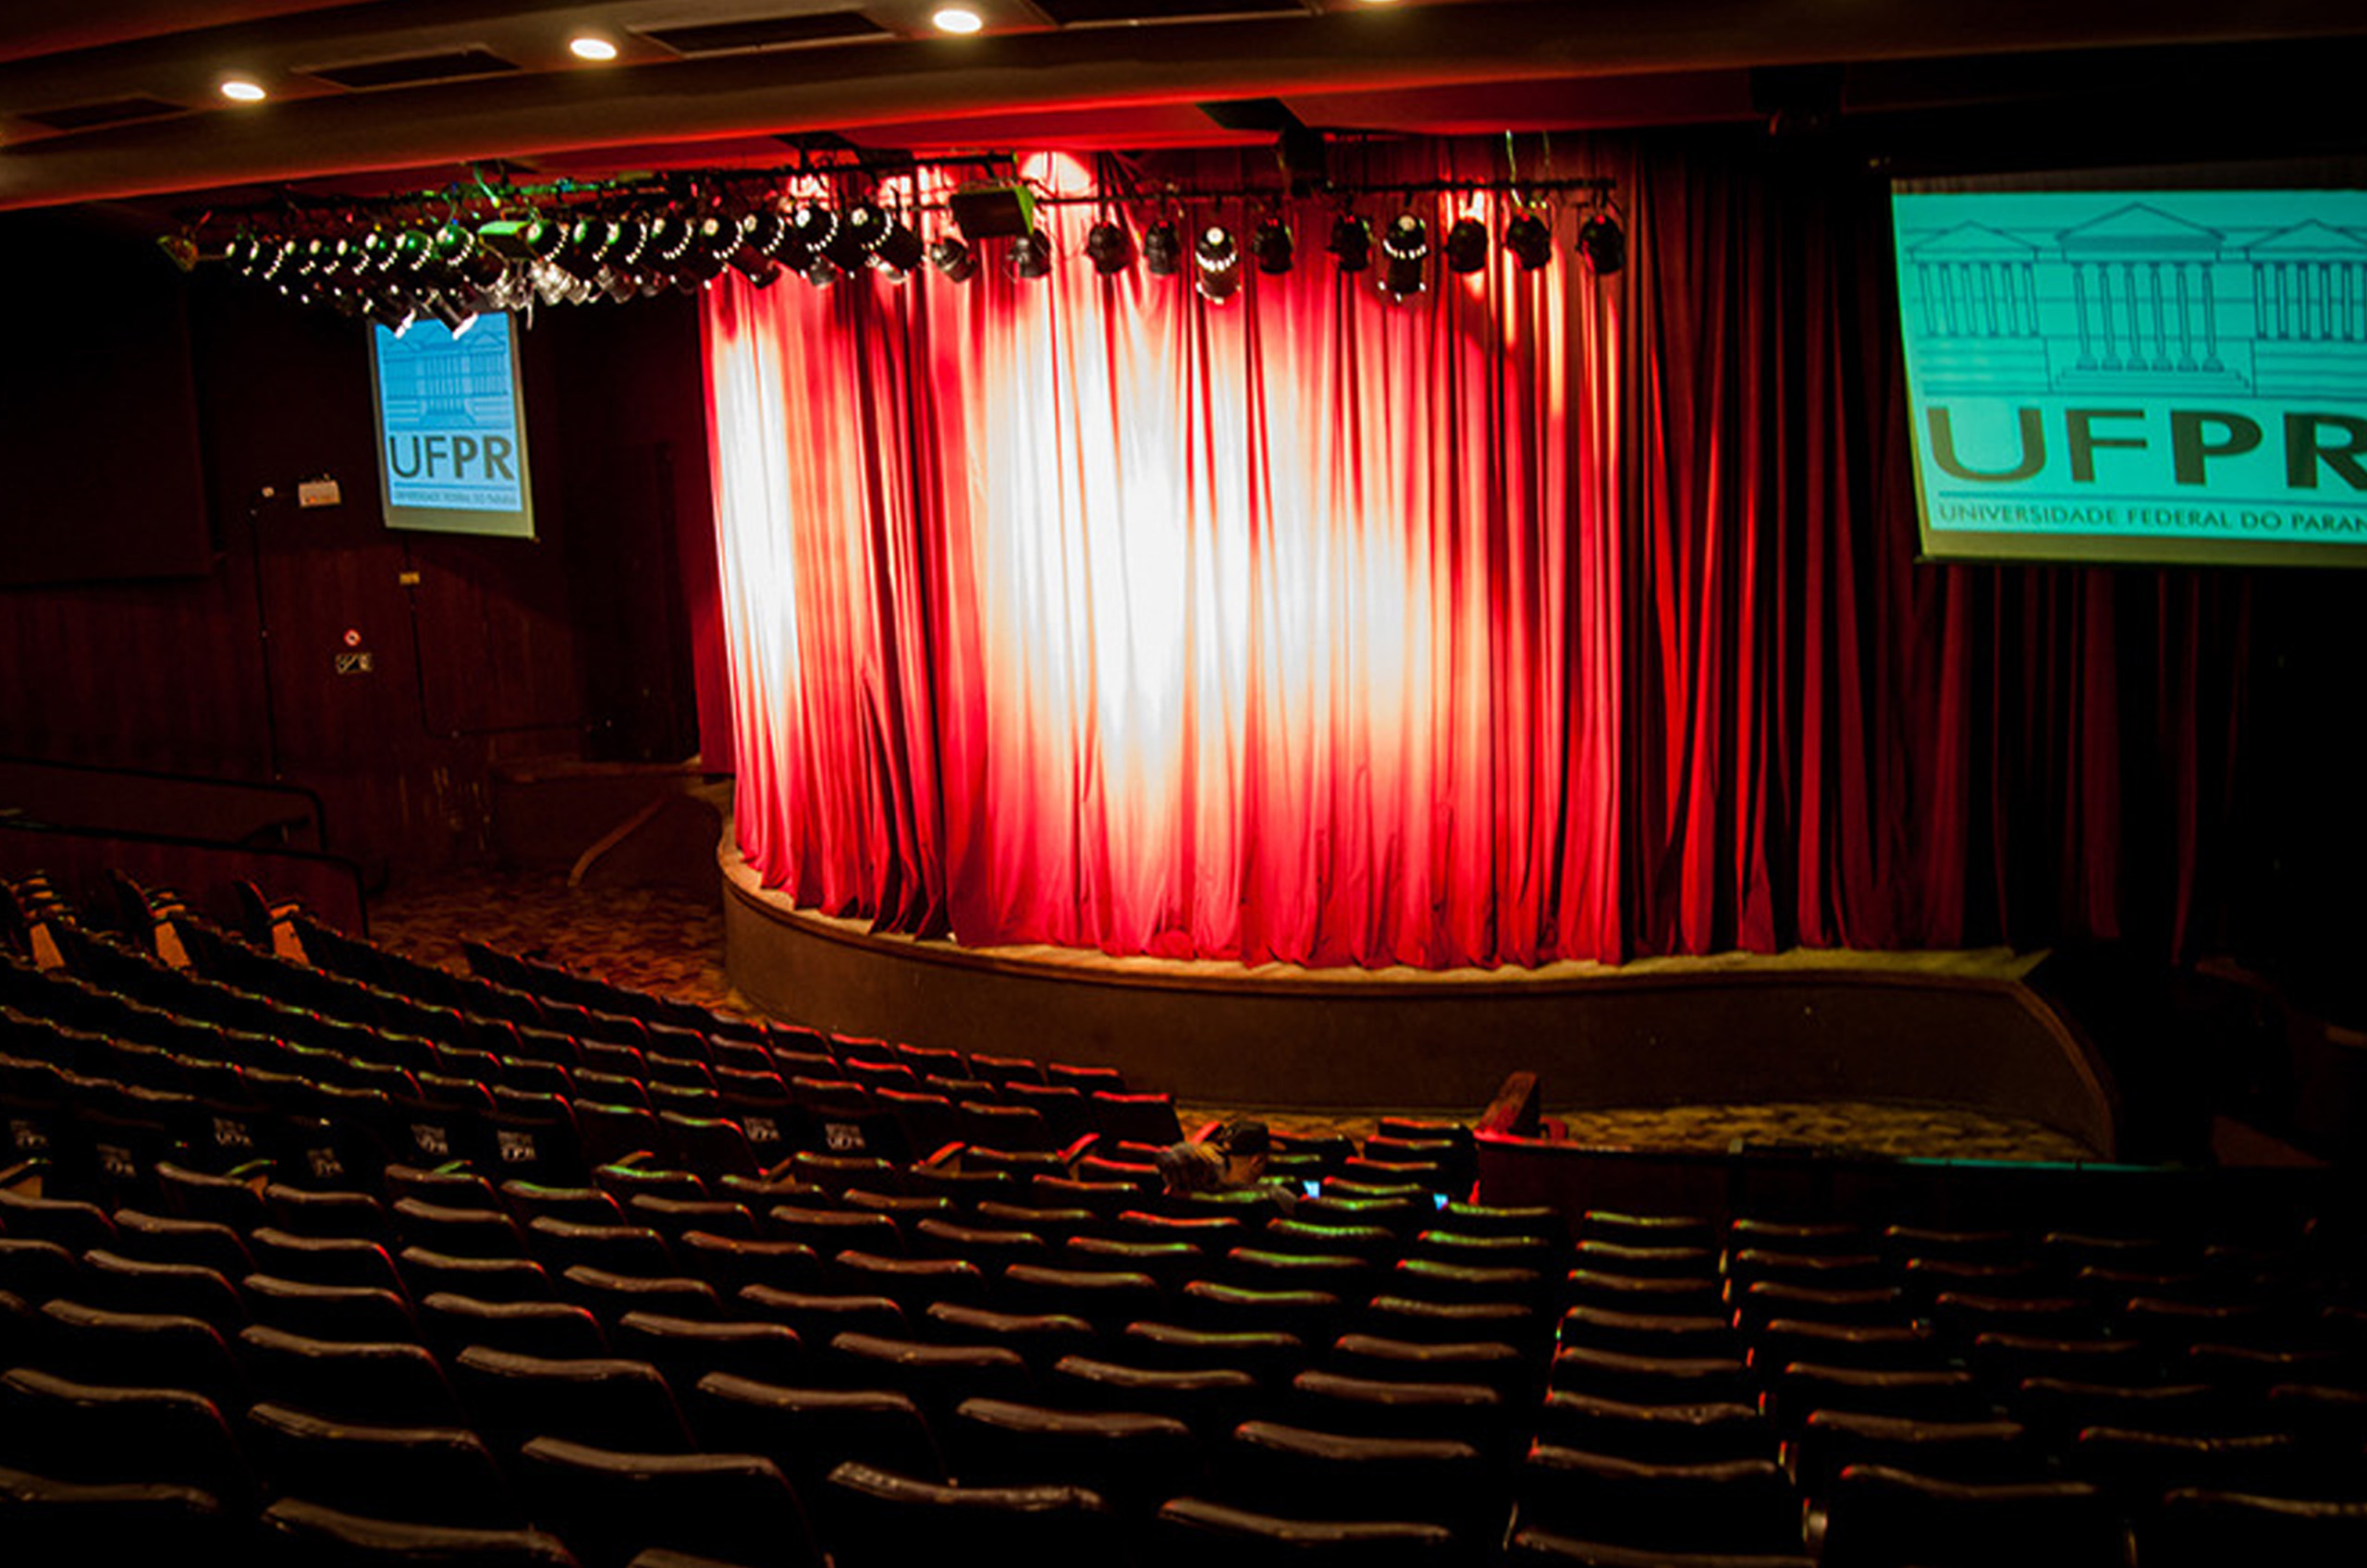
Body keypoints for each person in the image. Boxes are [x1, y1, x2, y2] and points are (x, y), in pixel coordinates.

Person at [1153, 1118, 1296, 1208]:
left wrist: (1196, 1149)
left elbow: (1166, 1159)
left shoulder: (1192, 1185)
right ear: (1256, 1160)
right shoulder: (1274, 1197)